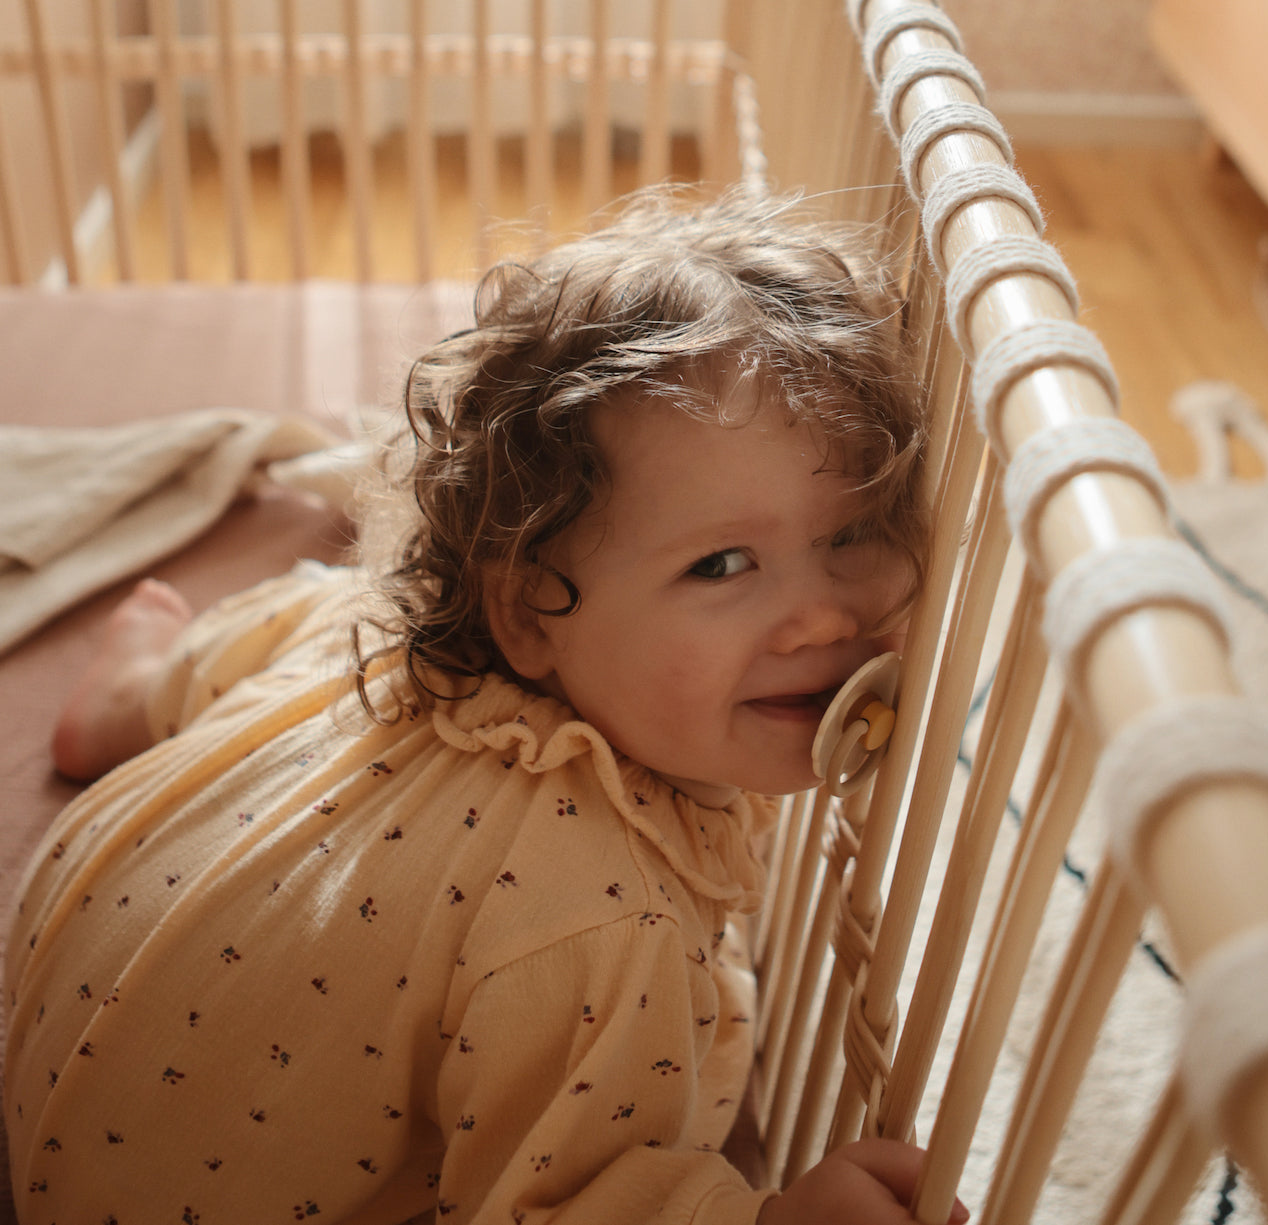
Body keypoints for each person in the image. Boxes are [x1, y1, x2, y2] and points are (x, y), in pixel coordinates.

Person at [5, 188, 957, 1225]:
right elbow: (556, 1202)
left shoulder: (406, 647)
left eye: (853, 533)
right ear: (527, 612)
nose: (819, 619)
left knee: (329, 623)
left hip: (62, 1012)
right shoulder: (601, 920)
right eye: (722, 563)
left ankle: (144, 697)